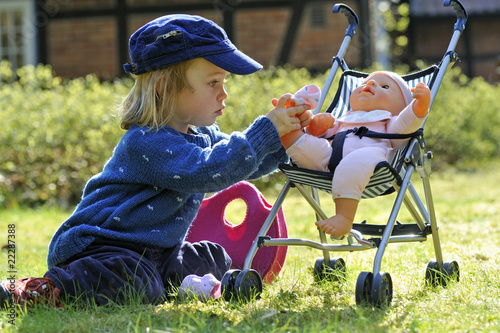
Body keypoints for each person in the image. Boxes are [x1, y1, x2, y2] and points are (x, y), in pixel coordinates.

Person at [0, 14, 311, 308]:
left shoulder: (202, 134)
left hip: (156, 249)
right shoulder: (147, 140)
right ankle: (40, 288)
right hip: (103, 247)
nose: (224, 94)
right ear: (165, 86)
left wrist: (285, 141)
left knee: (211, 256)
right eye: (213, 82)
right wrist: (264, 131)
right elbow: (208, 171)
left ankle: (183, 281)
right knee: (137, 283)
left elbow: (241, 164)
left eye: (224, 82)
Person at [279, 71, 431, 237]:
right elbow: (320, 135)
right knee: (307, 145)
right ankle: (286, 127)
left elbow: (409, 121)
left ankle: (344, 216)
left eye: (385, 86)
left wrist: (420, 106)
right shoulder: (344, 118)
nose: (371, 84)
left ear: (401, 108)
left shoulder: (390, 121)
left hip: (371, 166)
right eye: (367, 83)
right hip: (330, 158)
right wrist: (318, 127)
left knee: (353, 162)